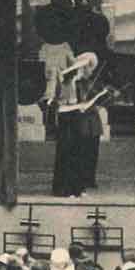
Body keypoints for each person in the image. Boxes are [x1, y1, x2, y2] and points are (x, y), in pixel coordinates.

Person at [54, 52, 108, 198]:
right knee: (68, 155)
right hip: (68, 122)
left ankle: (77, 189)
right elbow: (61, 105)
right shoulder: (67, 82)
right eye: (83, 68)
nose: (85, 71)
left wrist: (94, 98)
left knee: (77, 155)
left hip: (75, 121)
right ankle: (66, 189)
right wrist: (78, 106)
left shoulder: (75, 83)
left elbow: (79, 104)